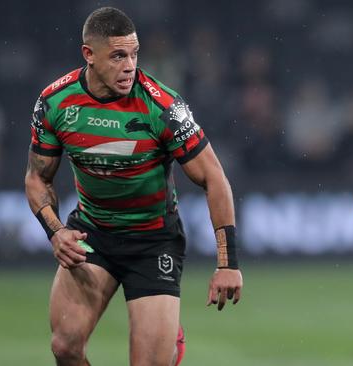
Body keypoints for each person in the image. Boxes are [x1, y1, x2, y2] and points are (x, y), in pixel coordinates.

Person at [24, 7, 243, 366]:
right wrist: (55, 231)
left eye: (134, 53)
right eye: (118, 56)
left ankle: (167, 338)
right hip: (92, 235)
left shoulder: (163, 106)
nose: (130, 66)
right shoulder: (54, 102)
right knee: (64, 348)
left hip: (153, 242)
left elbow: (214, 178)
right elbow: (37, 177)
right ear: (89, 55)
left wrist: (227, 263)